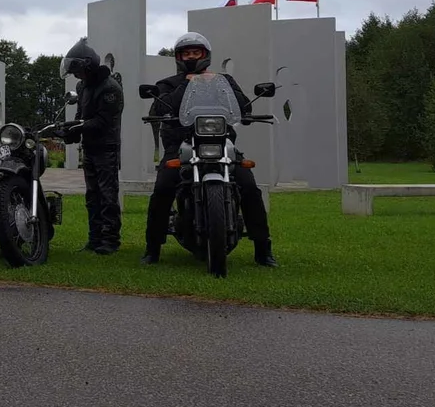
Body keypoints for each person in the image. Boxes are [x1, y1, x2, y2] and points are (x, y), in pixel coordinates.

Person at [140, 32, 277, 267]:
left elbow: (242, 107)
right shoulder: (169, 83)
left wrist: (216, 84)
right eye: (186, 53)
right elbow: (159, 110)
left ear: (206, 55)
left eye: (196, 53)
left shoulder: (223, 80)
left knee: (249, 186)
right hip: (181, 145)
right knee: (164, 186)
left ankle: (263, 249)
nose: (191, 57)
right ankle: (152, 248)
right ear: (179, 57)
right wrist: (187, 83)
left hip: (222, 143)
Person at [58, 39, 124, 255]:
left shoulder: (110, 88)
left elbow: (103, 122)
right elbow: (81, 117)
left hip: (106, 148)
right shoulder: (83, 86)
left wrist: (78, 128)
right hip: (90, 147)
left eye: (78, 71)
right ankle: (94, 239)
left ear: (88, 66)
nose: (76, 76)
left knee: (107, 195)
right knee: (92, 195)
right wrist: (69, 132)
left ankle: (110, 240)